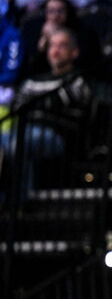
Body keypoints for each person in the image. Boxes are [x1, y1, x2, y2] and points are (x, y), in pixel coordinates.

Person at [2, 26, 92, 200]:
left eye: (62, 46)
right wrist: (42, 102)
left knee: (19, 144)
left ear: (74, 52)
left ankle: (21, 204)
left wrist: (34, 102)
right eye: (52, 46)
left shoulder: (78, 79)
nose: (55, 51)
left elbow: (61, 101)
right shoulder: (33, 80)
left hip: (57, 135)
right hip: (22, 130)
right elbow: (17, 105)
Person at [20, 0, 102, 78]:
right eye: (51, 11)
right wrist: (43, 47)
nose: (56, 16)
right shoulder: (39, 33)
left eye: (60, 11)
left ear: (68, 12)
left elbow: (89, 63)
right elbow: (34, 69)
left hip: (80, 77)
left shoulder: (85, 32)